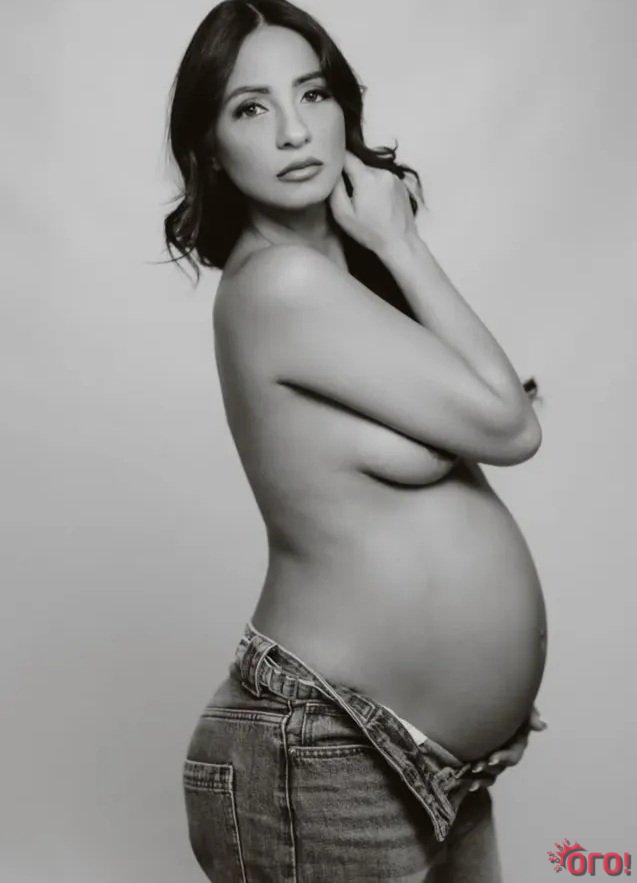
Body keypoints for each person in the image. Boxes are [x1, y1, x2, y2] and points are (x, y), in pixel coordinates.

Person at [164, 1, 549, 879]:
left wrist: (384, 248)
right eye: (250, 107)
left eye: (312, 93)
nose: (295, 131)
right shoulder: (283, 285)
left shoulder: (340, 283)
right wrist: (400, 239)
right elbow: (509, 425)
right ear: (210, 147)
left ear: (344, 106)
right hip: (325, 758)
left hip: (417, 762)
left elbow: (483, 419)